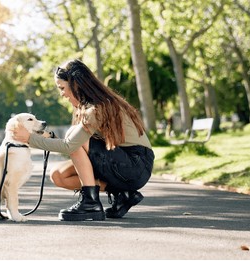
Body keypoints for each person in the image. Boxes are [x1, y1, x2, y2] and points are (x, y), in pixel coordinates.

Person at [12, 59, 154, 221]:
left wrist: (29, 139)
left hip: (136, 164)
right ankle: (122, 193)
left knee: (74, 138)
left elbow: (71, 145)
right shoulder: (89, 107)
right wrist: (47, 137)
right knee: (59, 175)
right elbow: (74, 148)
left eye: (62, 88)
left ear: (76, 85)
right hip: (123, 164)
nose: (61, 93)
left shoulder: (97, 108)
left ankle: (90, 203)